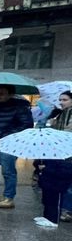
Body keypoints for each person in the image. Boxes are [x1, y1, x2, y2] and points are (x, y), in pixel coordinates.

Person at [49, 90, 72, 221]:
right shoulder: (60, 114)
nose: (61, 102)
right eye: (60, 100)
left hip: (69, 152)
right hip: (61, 152)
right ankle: (64, 208)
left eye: (65, 100)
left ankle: (67, 210)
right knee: (64, 182)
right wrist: (53, 124)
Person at [36, 158, 72, 228]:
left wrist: (46, 168)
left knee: (54, 203)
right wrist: (39, 163)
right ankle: (47, 216)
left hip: (57, 184)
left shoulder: (66, 160)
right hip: (48, 182)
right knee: (47, 201)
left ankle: (54, 220)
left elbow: (65, 172)